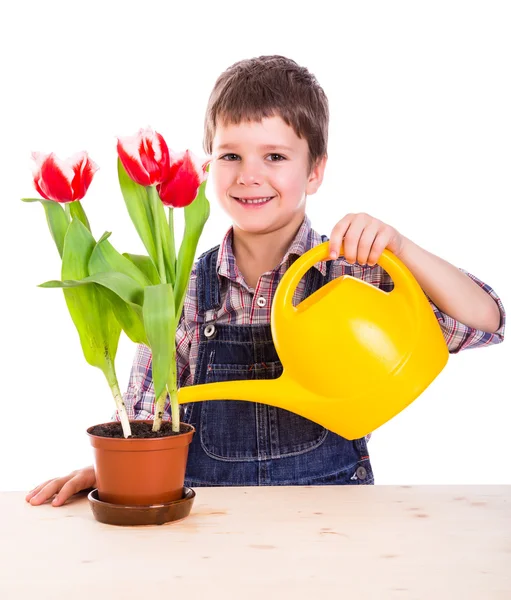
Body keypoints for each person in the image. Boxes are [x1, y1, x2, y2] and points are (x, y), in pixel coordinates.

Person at [26, 55, 505, 506]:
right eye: (230, 156)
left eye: (274, 156)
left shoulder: (350, 273)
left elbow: (486, 320)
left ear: (315, 170)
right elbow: (146, 412)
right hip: (210, 531)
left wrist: (401, 247)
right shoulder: (180, 289)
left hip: (335, 525)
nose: (248, 176)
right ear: (207, 166)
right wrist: (110, 469)